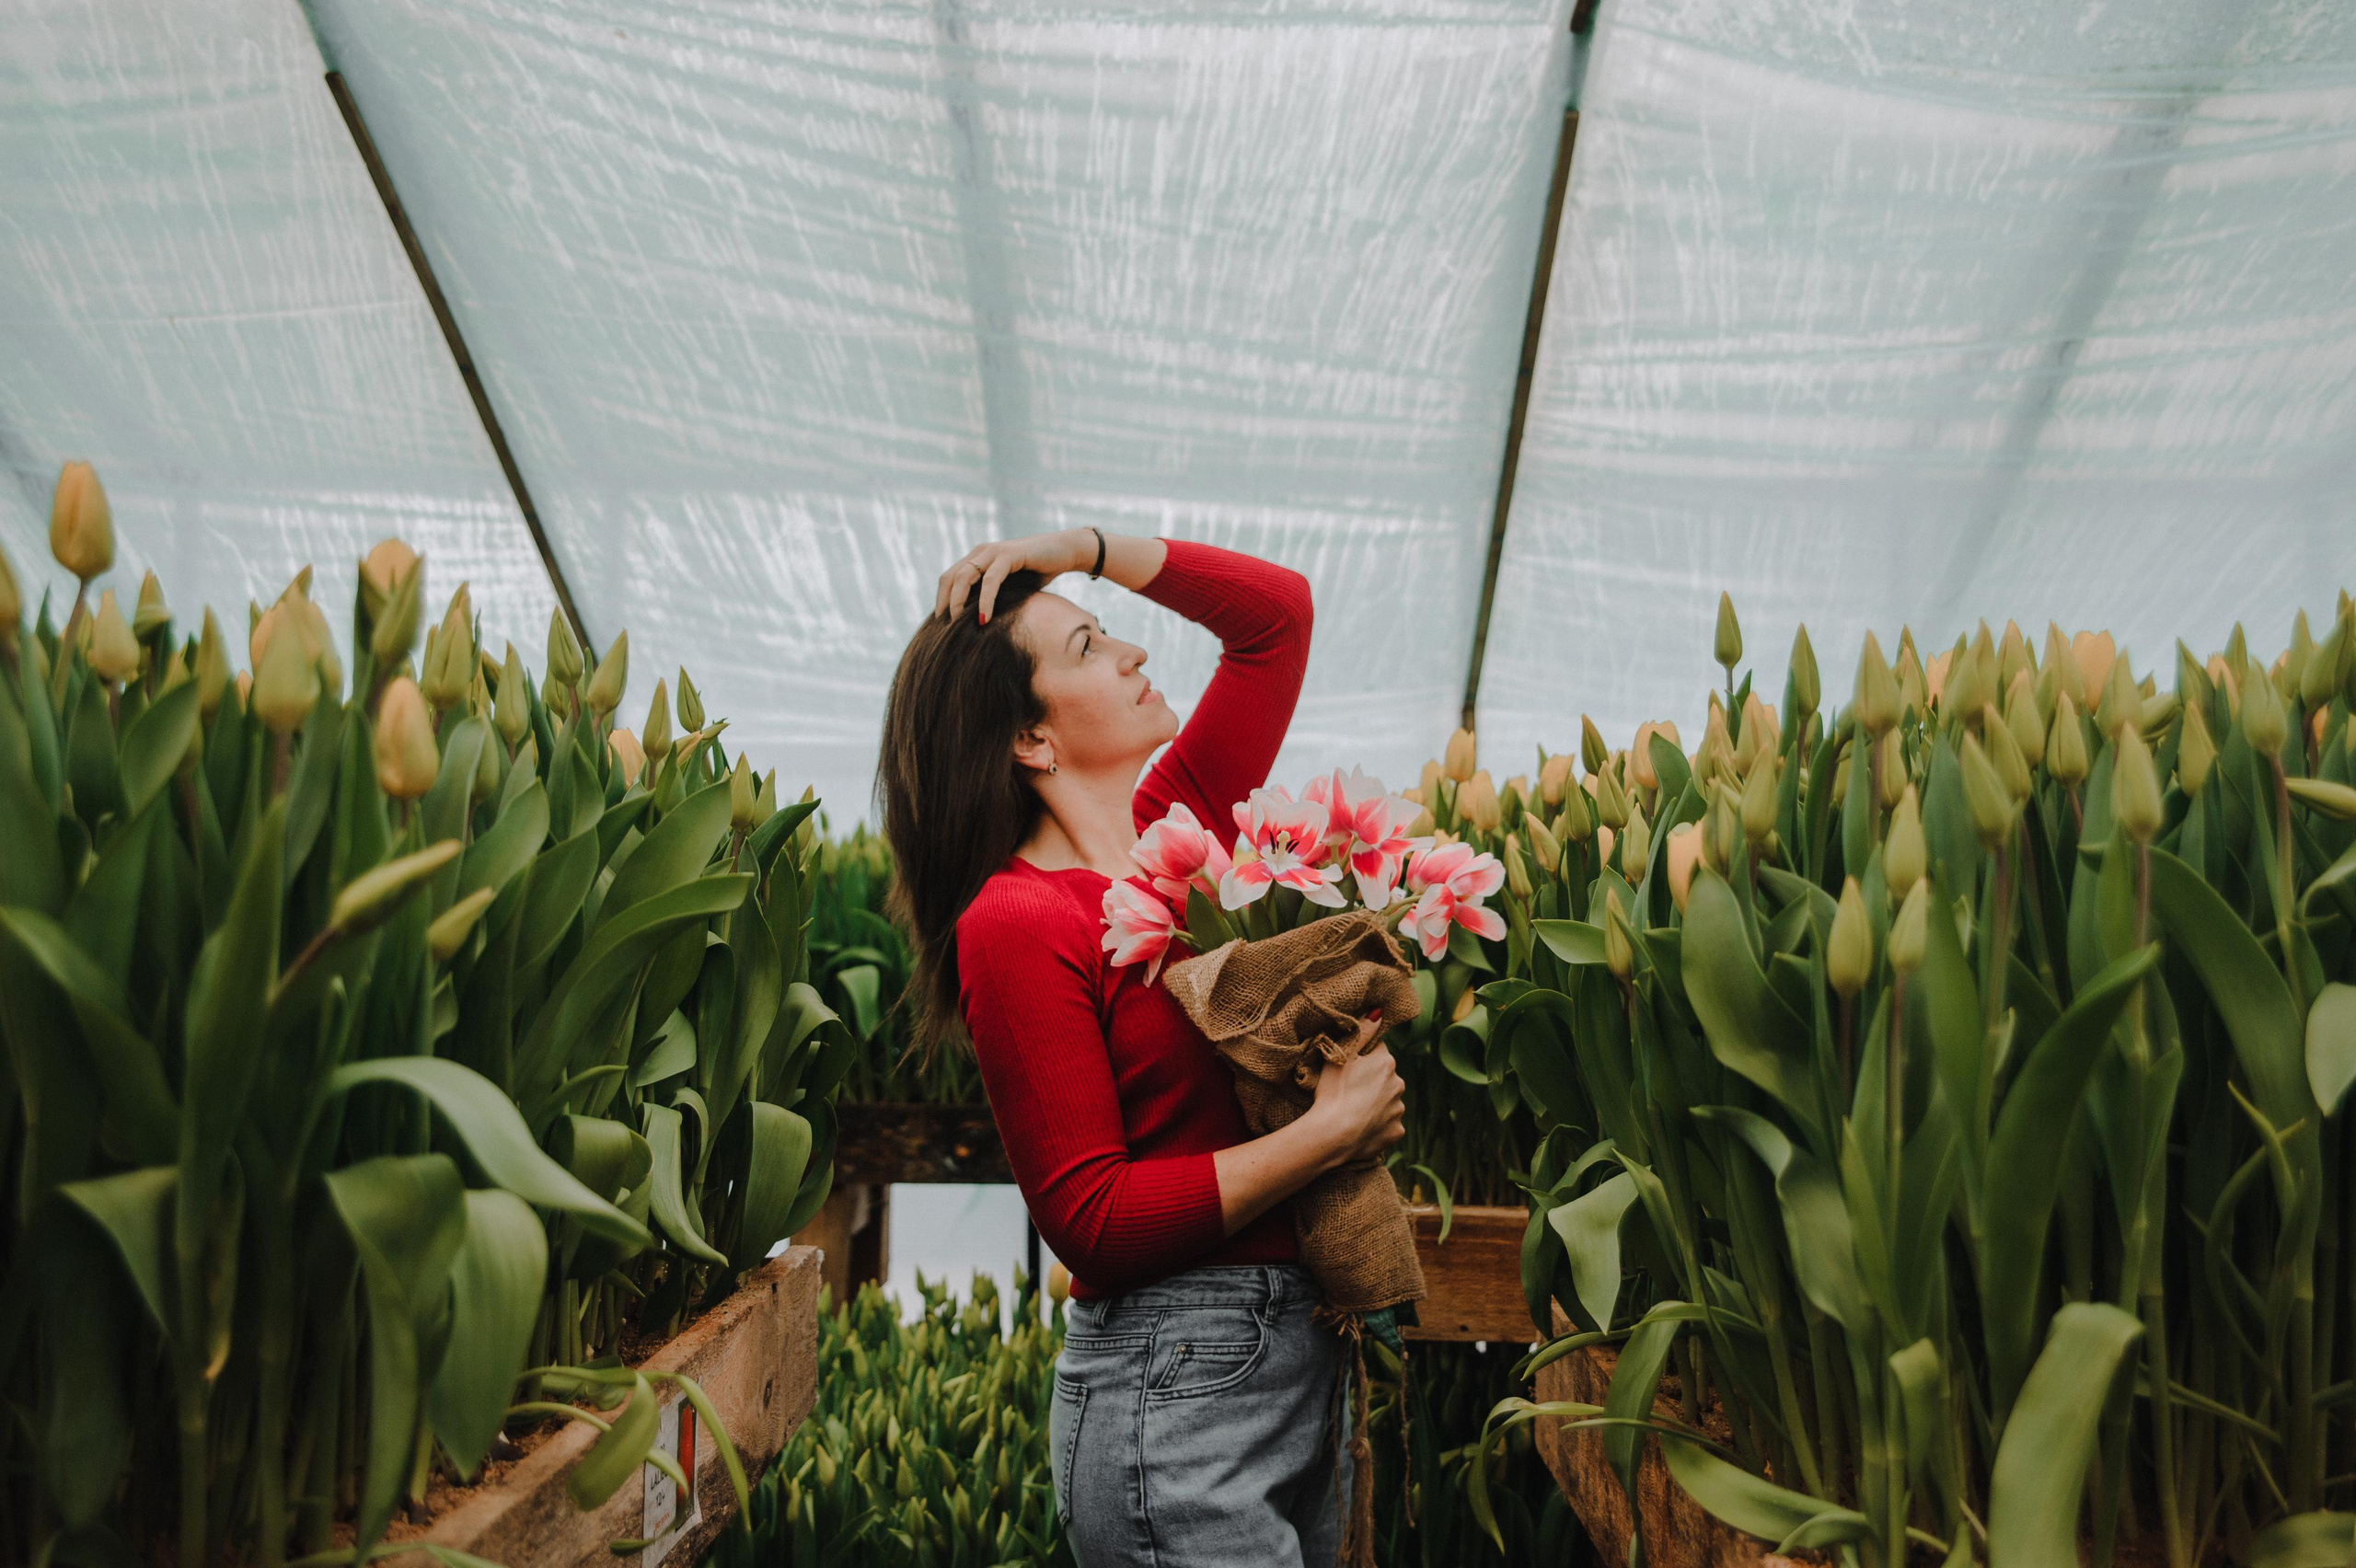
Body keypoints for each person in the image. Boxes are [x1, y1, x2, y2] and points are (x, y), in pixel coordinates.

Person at [876, 527, 1406, 1568]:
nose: (1130, 654)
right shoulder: (1019, 921)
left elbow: (1276, 621)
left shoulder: (1181, 836)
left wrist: (1082, 549)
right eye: (1086, 648)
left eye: (1110, 634)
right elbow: (1093, 1223)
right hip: (1173, 1393)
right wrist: (1327, 1134)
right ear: (1031, 740)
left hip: (1298, 1358)